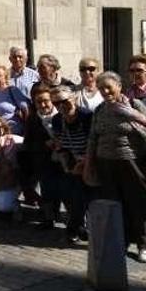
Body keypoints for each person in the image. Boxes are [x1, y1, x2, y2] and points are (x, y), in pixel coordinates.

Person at [85, 71, 146, 263]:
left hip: (132, 163)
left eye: (109, 87)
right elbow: (93, 138)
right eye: (101, 88)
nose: (105, 91)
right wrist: (89, 162)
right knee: (114, 205)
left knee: (138, 203)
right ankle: (120, 241)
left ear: (119, 87)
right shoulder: (99, 110)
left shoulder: (134, 105)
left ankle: (145, 244)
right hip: (106, 164)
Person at [50, 86, 93, 244]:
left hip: (90, 160)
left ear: (74, 99)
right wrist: (68, 167)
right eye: (56, 103)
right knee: (69, 193)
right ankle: (78, 227)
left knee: (81, 194)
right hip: (71, 161)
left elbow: (93, 144)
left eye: (64, 101)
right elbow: (61, 146)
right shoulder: (57, 120)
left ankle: (75, 228)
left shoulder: (87, 117)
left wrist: (83, 164)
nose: (61, 106)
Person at [22, 84, 62, 227]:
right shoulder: (32, 119)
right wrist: (44, 144)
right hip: (44, 160)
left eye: (46, 100)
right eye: (39, 102)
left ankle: (75, 222)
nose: (43, 104)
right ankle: (49, 218)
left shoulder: (61, 115)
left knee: (66, 190)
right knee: (48, 189)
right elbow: (28, 143)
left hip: (64, 160)